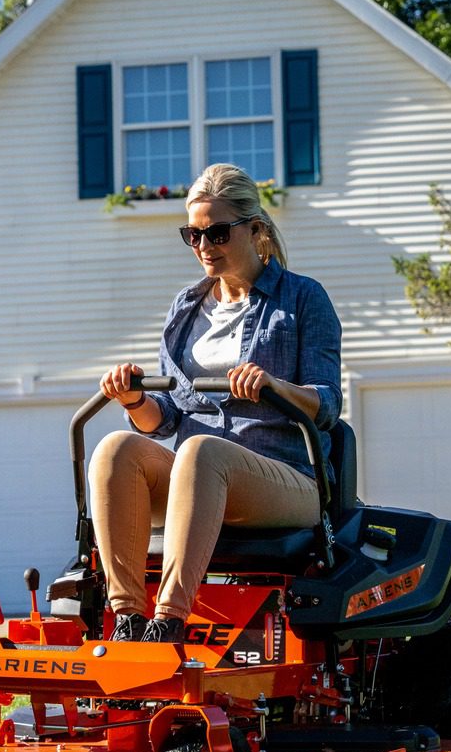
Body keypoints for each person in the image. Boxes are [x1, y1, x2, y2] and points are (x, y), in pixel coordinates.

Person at [92, 163, 342, 644]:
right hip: (198, 470)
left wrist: (273, 386)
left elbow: (328, 402)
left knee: (203, 451)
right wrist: (134, 399)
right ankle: (127, 618)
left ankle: (168, 622)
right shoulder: (186, 307)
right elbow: (165, 419)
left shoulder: (303, 298)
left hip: (285, 476)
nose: (205, 247)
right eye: (193, 235)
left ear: (255, 230)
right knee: (115, 448)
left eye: (218, 233)